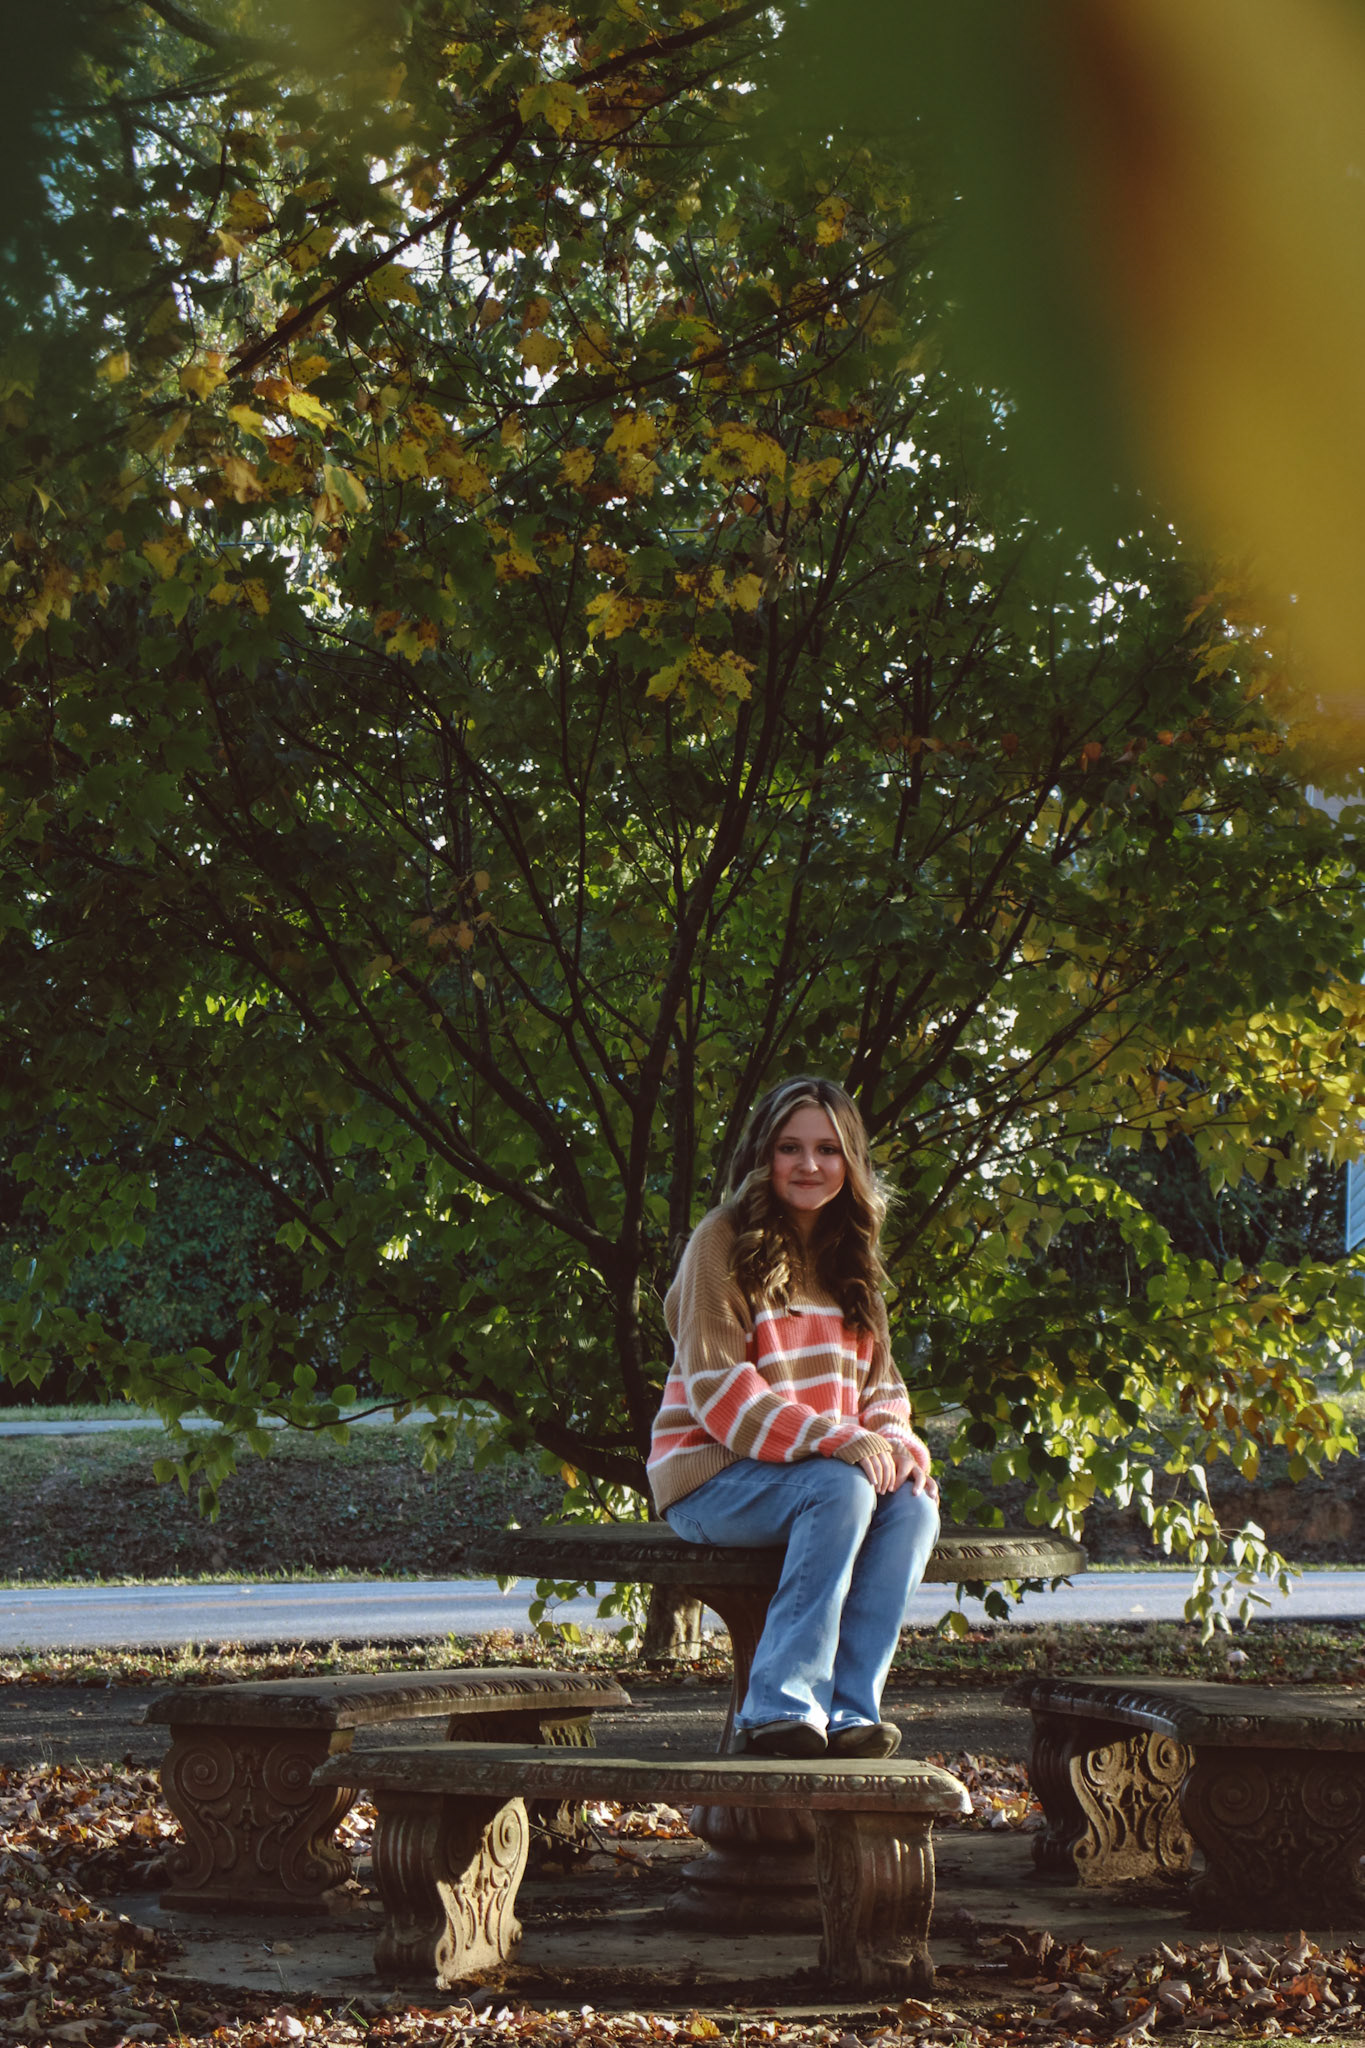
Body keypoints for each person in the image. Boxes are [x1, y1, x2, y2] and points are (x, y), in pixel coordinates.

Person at [647, 1076, 939, 1760]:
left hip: (817, 1478)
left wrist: (893, 1441)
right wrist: (837, 1440)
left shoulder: (850, 1254)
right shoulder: (720, 1241)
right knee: (841, 1488)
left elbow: (882, 1386)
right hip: (711, 1477)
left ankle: (850, 1712)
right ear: (763, 1155)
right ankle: (777, 1707)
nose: (809, 1165)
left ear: (850, 1161)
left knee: (914, 1506)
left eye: (828, 1149)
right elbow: (719, 1390)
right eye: (790, 1148)